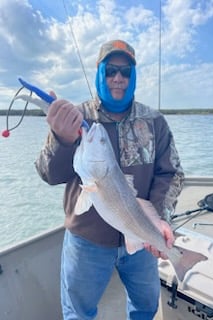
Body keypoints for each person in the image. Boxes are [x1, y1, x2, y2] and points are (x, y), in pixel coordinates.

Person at [35, 39, 184, 320]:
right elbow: (47, 173)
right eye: (110, 70)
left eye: (125, 71)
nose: (118, 78)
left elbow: (171, 173)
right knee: (78, 313)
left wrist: (159, 218)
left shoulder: (154, 121)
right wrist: (62, 140)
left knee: (145, 308)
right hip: (86, 241)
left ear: (134, 76)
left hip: (141, 239)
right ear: (99, 72)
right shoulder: (76, 118)